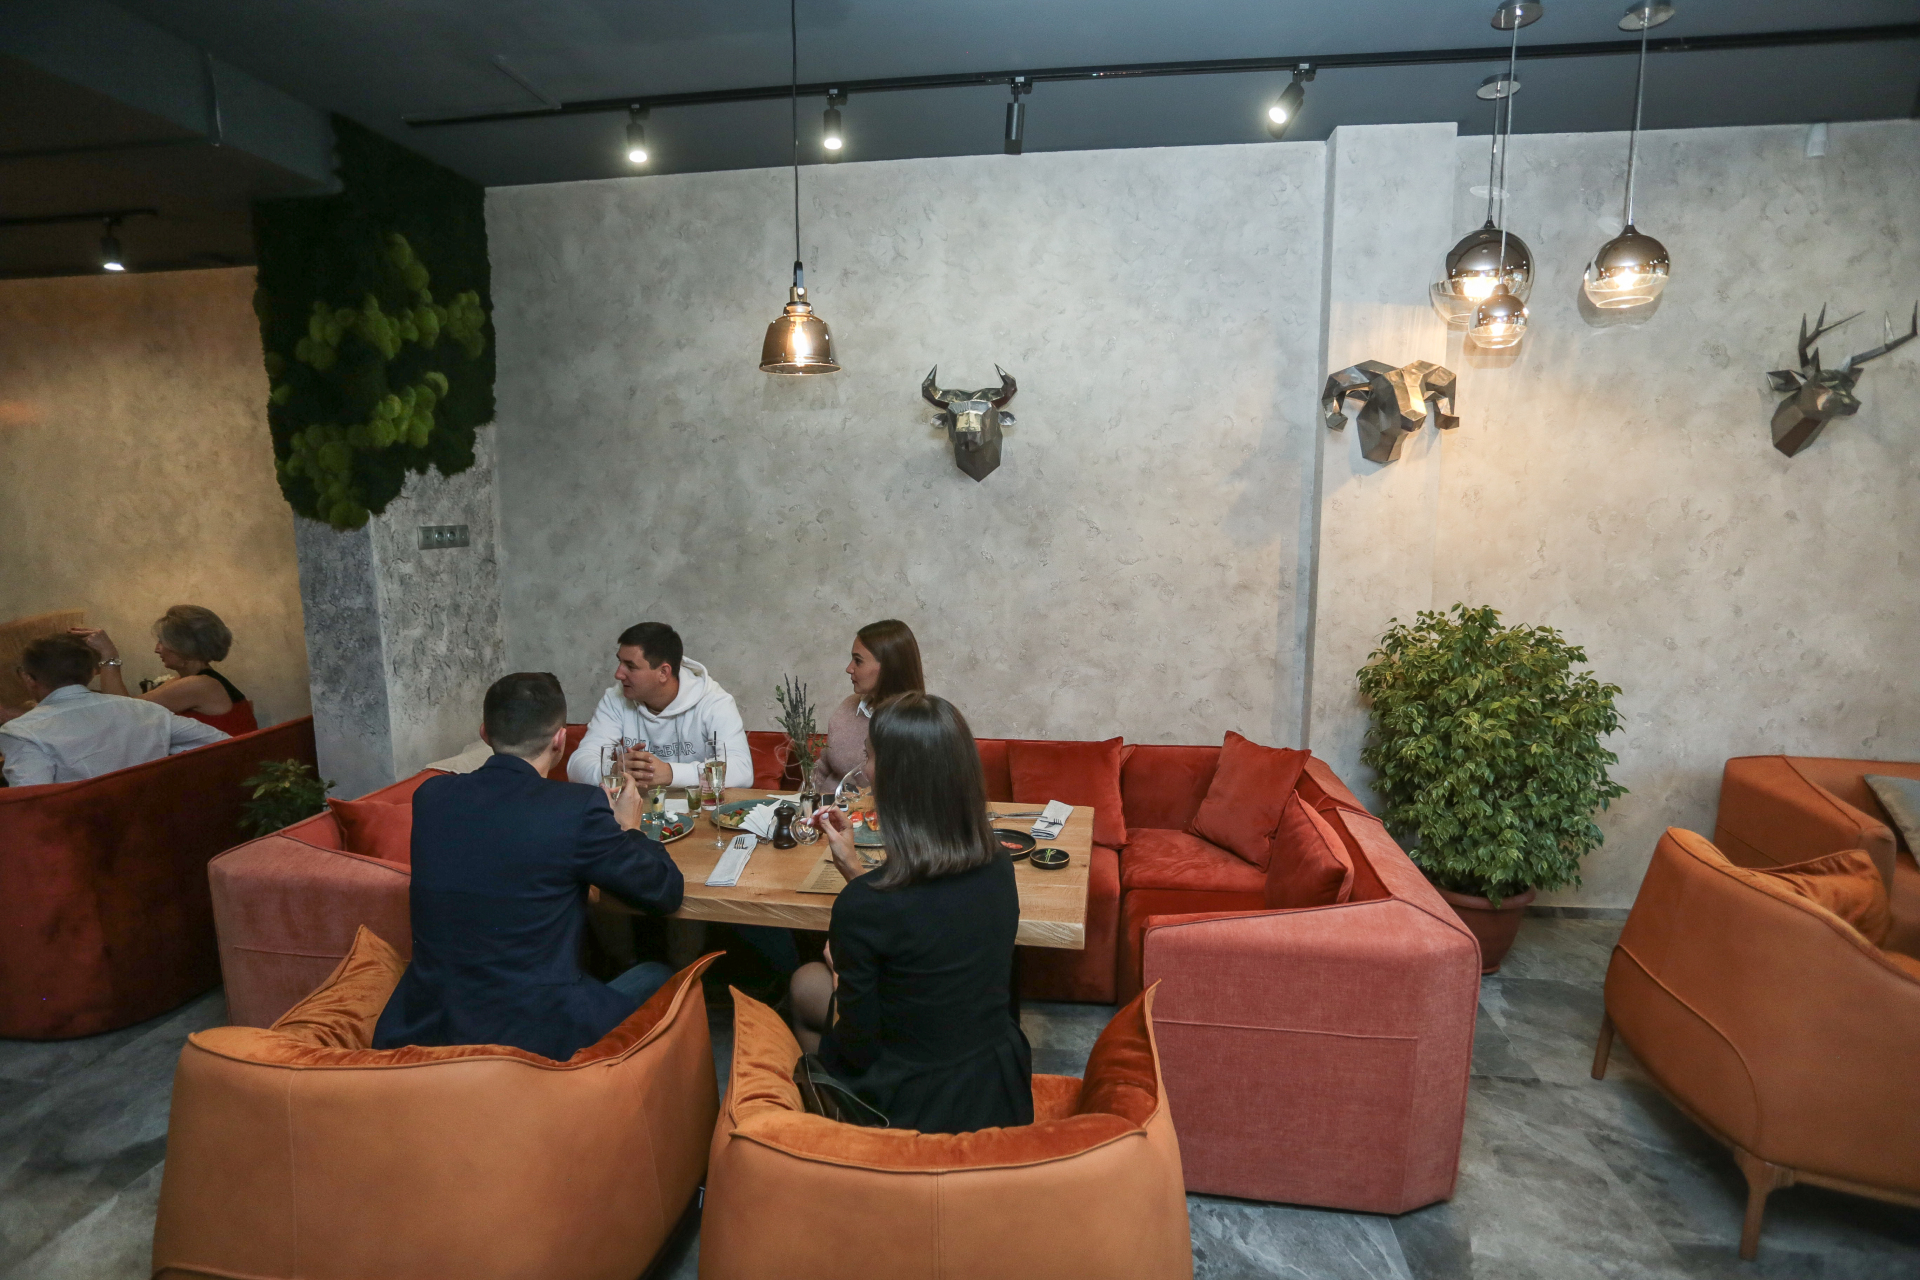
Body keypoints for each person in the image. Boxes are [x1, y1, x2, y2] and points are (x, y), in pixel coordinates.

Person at [374, 672, 685, 1060]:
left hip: (430, 1025)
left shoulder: (431, 797)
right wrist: (630, 828)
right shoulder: (576, 808)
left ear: (485, 733)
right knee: (659, 974)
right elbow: (664, 891)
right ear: (560, 740)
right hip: (532, 1033)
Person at [791, 692, 1033, 1135]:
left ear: (898, 780)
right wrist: (855, 871)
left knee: (805, 983)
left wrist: (842, 973)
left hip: (914, 1104)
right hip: (995, 1082)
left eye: (868, 756)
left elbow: (859, 1047)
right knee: (810, 982)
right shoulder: (999, 865)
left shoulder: (863, 906)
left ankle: (834, 1134)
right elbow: (928, 928)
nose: (863, 769)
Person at [0, 634, 228, 786]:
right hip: (156, 828)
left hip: (81, 837)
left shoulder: (21, 732)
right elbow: (225, 745)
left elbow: (31, 804)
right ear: (92, 672)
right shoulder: (146, 710)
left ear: (28, 678)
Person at [567, 622, 752, 793]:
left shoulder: (714, 701)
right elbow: (576, 766)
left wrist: (669, 773)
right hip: (636, 811)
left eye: (630, 666)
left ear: (663, 672)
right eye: (620, 662)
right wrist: (613, 769)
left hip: (698, 811)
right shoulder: (615, 698)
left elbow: (742, 771)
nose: (618, 674)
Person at [71, 605, 258, 735]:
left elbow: (124, 713)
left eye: (162, 641)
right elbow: (131, 705)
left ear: (185, 646)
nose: (157, 649)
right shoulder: (184, 682)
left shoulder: (199, 685)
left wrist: (108, 654)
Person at [817, 618, 925, 791]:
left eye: (858, 661)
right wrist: (802, 803)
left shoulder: (917, 725)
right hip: (824, 805)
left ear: (889, 666)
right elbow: (822, 767)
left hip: (861, 808)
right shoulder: (848, 706)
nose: (849, 668)